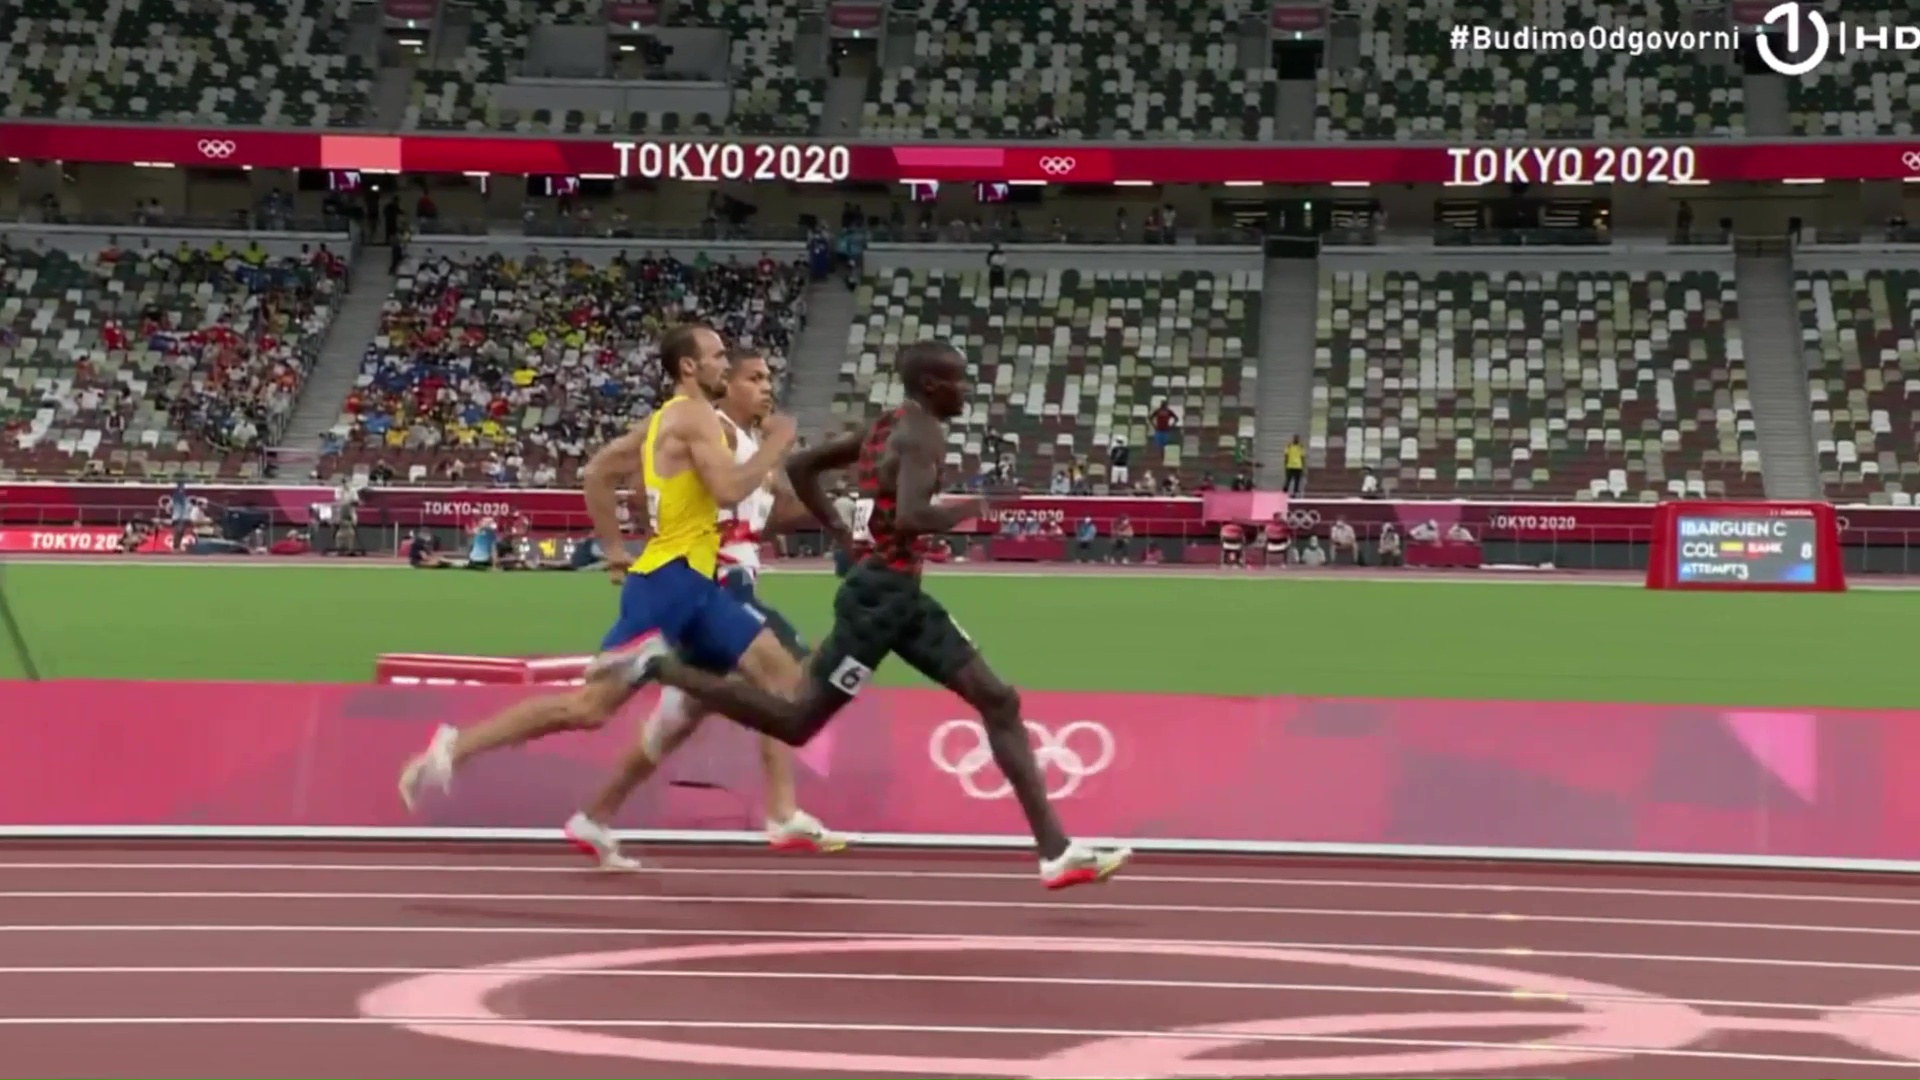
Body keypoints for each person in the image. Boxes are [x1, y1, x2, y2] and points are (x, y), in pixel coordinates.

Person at [603, 341, 1131, 890]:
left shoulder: (888, 424)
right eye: (958, 381)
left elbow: (803, 467)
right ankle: (658, 667)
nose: (966, 391)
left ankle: (1056, 852)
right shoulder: (921, 434)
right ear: (931, 385)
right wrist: (976, 508)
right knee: (798, 721)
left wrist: (840, 528)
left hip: (891, 595)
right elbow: (911, 517)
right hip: (882, 603)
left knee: (993, 701)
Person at [396, 324, 826, 862]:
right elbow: (727, 489)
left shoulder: (672, 421)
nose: (725, 362)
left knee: (780, 674)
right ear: (689, 367)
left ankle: (778, 812)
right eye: (718, 356)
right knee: (588, 709)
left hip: (700, 590)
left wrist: (615, 548)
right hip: (666, 588)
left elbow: (600, 472)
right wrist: (780, 442)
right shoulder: (693, 416)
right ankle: (455, 747)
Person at [565, 347, 847, 867]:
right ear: (727, 385)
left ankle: (596, 816)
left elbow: (774, 510)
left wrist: (824, 495)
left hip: (725, 584)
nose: (767, 387)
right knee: (785, 673)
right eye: (754, 378)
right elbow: (622, 475)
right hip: (714, 584)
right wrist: (626, 545)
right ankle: (782, 811)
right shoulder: (707, 428)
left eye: (769, 378)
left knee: (677, 720)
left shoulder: (748, 442)